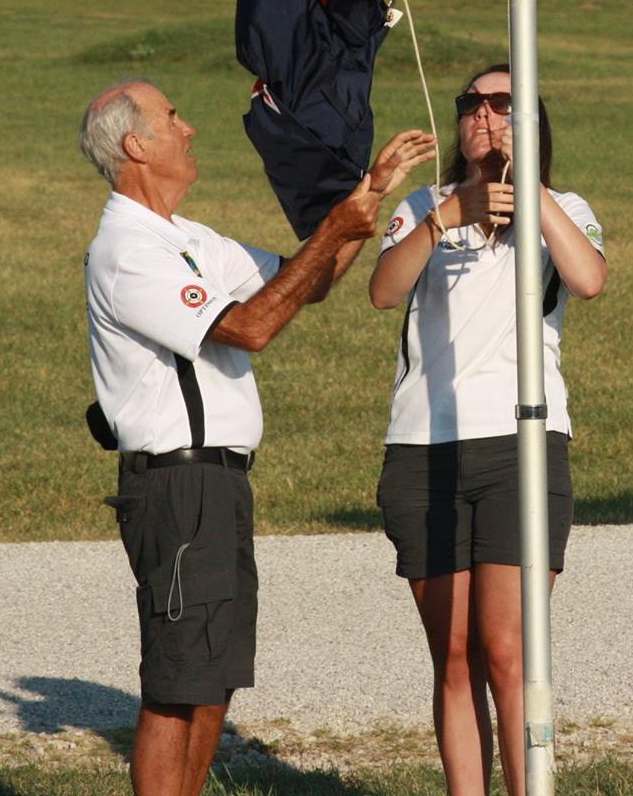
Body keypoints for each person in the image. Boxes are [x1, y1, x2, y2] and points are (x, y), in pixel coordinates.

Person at [79, 79, 434, 796]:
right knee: (178, 680)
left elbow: (310, 281)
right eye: (172, 118)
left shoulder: (190, 239)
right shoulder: (126, 249)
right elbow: (252, 326)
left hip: (217, 484)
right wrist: (336, 227)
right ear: (135, 146)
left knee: (212, 677)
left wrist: (367, 197)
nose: (190, 129)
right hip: (177, 485)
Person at [369, 64, 607, 796]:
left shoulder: (563, 205)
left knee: (508, 650)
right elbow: (383, 292)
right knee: (454, 655)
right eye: (471, 104)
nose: (483, 115)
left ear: (530, 119)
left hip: (522, 447)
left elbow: (589, 279)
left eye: (502, 103)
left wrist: (526, 189)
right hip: (424, 448)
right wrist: (452, 213)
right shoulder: (423, 206)